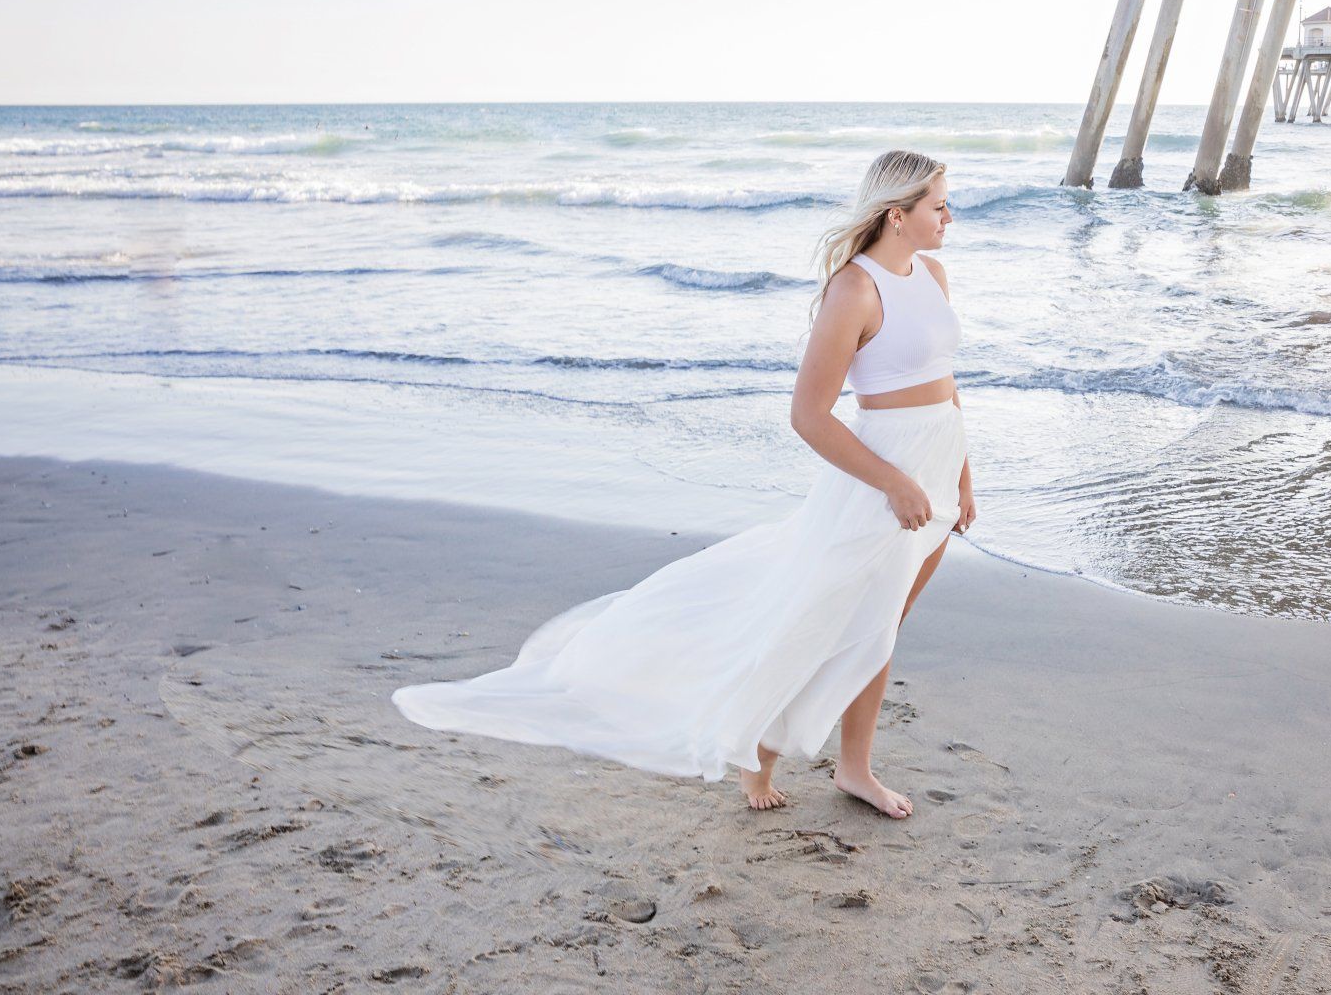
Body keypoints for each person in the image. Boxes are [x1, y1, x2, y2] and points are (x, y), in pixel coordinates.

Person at [392, 149, 974, 820]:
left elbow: (947, 388)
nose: (949, 217)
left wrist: (962, 479)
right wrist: (895, 483)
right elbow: (808, 416)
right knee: (820, 614)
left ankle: (853, 768)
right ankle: (758, 750)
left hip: (935, 469)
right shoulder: (855, 291)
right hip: (882, 476)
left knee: (881, 627)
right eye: (938, 206)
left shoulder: (933, 275)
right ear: (897, 215)